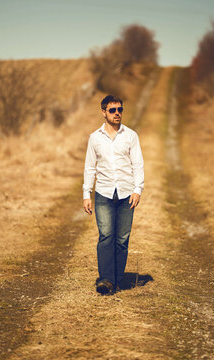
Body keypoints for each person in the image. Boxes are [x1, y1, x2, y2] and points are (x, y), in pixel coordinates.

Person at [83, 95, 144, 295]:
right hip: (103, 193)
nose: (117, 113)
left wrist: (138, 189)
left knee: (122, 239)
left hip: (127, 193)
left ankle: (117, 281)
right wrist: (86, 194)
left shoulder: (130, 136)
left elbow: (138, 164)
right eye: (112, 110)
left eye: (120, 109)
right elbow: (90, 167)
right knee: (106, 236)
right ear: (103, 112)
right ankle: (106, 280)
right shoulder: (95, 137)